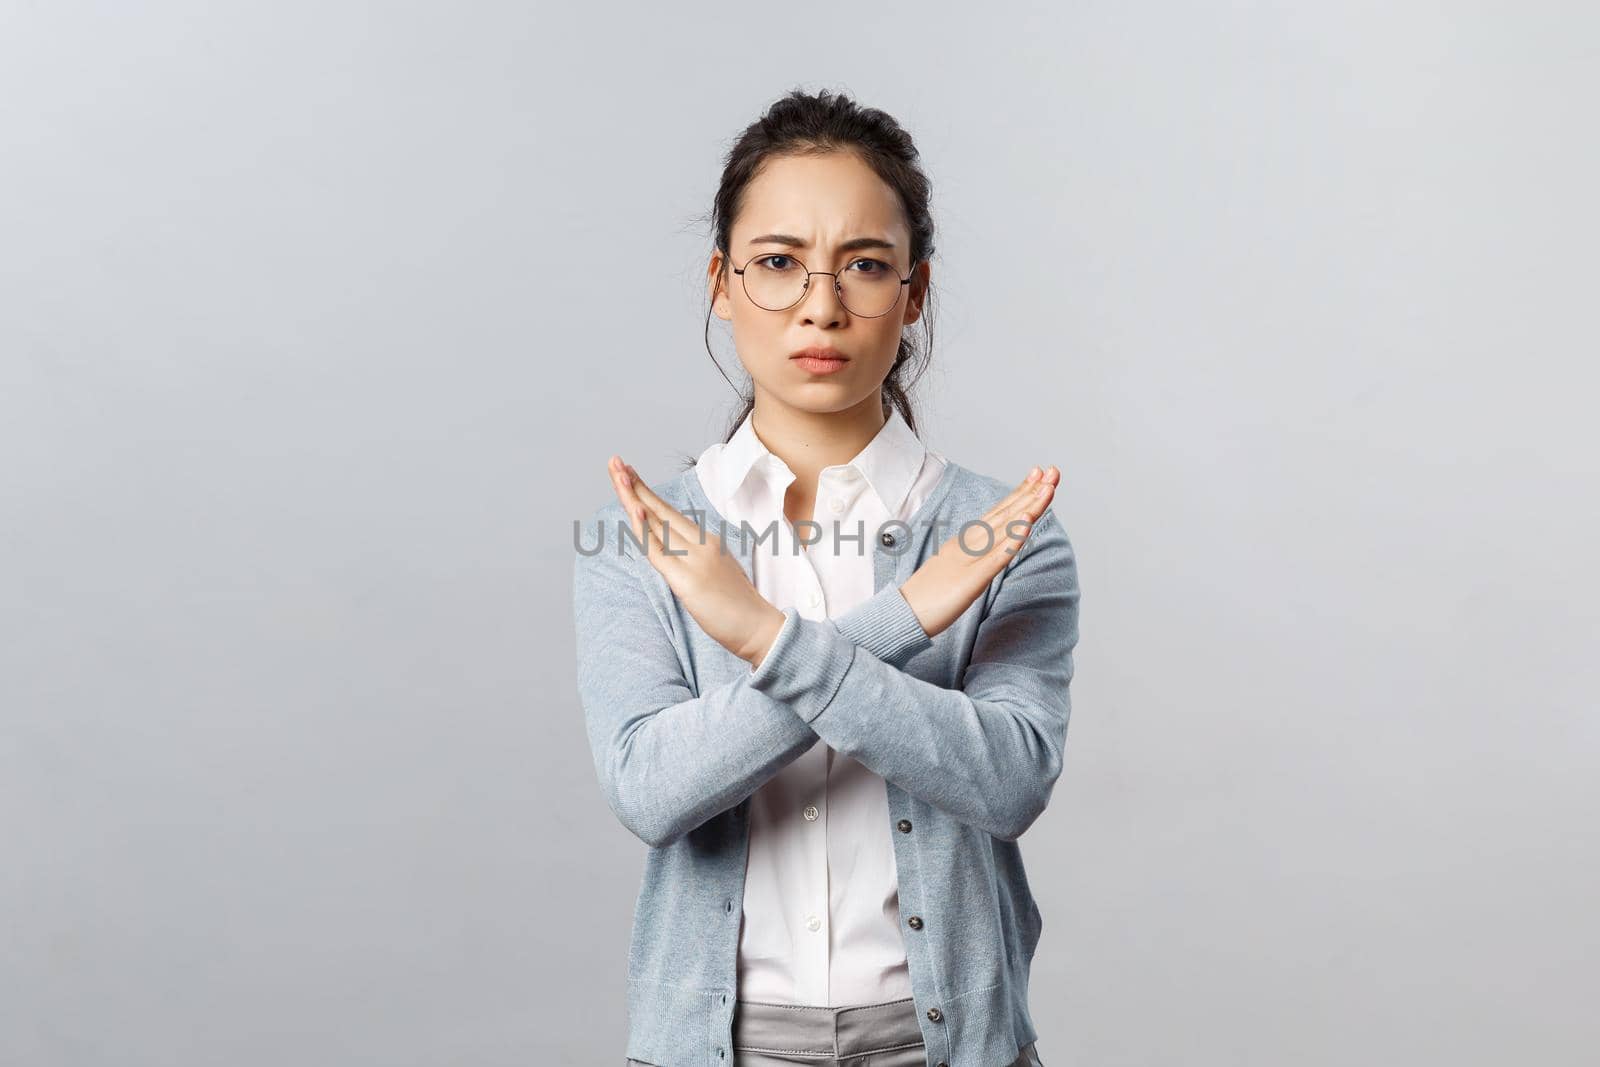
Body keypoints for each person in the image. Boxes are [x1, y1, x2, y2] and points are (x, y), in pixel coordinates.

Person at [572, 88, 1080, 1067]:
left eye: (865, 265)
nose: (820, 304)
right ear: (721, 281)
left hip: (947, 1046)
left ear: (914, 292)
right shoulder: (641, 533)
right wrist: (906, 617)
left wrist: (763, 635)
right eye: (776, 263)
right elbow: (651, 788)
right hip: (711, 1046)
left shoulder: (1004, 532)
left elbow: (1009, 779)